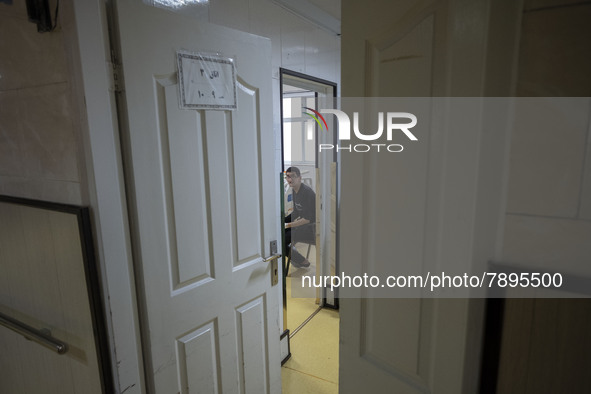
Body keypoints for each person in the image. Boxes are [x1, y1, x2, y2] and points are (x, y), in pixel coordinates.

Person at [284, 166, 316, 268]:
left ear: (299, 178)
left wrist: (288, 225)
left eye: (293, 176)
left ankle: (302, 260)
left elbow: (307, 219)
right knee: (280, 234)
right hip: (304, 226)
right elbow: (296, 212)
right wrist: (283, 221)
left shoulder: (307, 193)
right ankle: (295, 256)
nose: (290, 179)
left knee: (283, 239)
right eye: (288, 176)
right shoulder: (295, 190)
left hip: (312, 228)